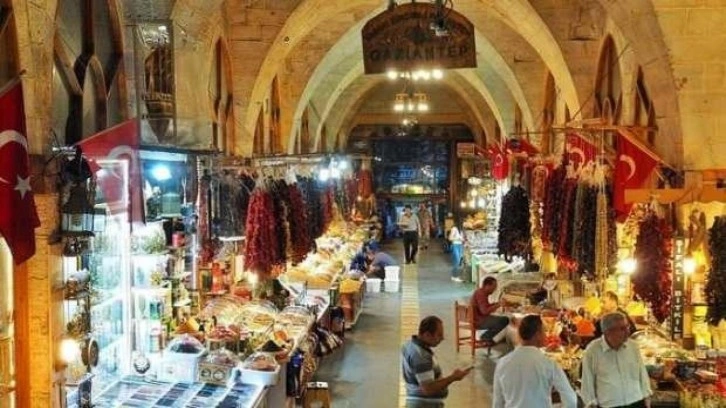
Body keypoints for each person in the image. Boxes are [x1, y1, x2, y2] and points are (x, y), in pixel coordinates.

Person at [493, 315, 577, 408]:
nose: (545, 335)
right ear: (537, 334)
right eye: (544, 332)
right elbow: (571, 400)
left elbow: (497, 403)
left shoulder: (502, 363)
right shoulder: (549, 364)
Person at [580, 312, 652, 408]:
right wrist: (591, 403)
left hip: (636, 402)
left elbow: (642, 374)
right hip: (610, 404)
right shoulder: (593, 351)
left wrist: (647, 397)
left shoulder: (633, 346)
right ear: (608, 332)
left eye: (627, 326)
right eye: (622, 329)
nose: (628, 331)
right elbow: (588, 382)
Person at [401, 316, 472, 407]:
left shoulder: (410, 344)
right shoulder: (421, 356)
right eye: (439, 335)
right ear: (427, 335)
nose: (442, 338)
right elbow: (428, 389)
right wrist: (453, 377)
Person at [471, 277, 510, 345]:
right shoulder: (481, 294)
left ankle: (488, 337)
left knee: (499, 318)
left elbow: (485, 307)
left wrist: (498, 303)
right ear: (487, 286)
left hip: (478, 319)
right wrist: (498, 305)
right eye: (494, 287)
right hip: (478, 321)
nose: (494, 289)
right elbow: (485, 311)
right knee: (505, 320)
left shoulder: (480, 292)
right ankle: (486, 337)